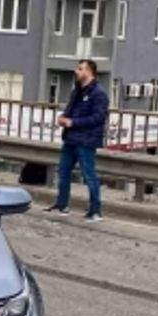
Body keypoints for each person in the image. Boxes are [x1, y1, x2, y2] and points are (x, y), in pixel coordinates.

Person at [46, 59, 110, 221]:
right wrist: (63, 118)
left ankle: (95, 210)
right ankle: (62, 205)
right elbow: (70, 111)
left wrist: (73, 122)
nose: (76, 71)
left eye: (80, 69)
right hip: (70, 139)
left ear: (89, 72)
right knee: (63, 172)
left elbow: (98, 118)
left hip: (86, 141)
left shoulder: (99, 93)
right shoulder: (77, 91)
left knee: (89, 175)